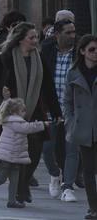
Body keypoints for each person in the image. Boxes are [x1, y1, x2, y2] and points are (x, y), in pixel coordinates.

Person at [0, 21, 54, 201]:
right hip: (14, 111)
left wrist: (56, 112)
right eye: (32, 37)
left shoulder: (39, 57)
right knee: (18, 154)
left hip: (34, 108)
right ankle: (21, 189)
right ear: (21, 39)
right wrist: (1, 90)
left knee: (34, 153)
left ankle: (25, 181)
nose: (35, 41)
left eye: (36, 37)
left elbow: (48, 86)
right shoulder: (6, 57)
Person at [0, 97, 51, 208]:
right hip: (7, 157)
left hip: (15, 156)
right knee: (1, 178)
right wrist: (42, 124)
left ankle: (11, 201)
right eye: (23, 110)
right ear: (14, 112)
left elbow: (26, 127)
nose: (25, 113)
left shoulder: (15, 121)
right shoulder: (14, 121)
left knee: (14, 180)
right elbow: (27, 128)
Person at [41, 16, 79, 200]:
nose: (73, 36)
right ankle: (55, 174)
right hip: (50, 107)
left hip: (73, 108)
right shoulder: (46, 50)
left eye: (74, 32)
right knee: (47, 147)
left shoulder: (79, 51)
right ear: (57, 35)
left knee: (72, 148)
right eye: (68, 33)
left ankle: (68, 186)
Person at [63, 34, 97, 219]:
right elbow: (67, 101)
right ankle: (93, 208)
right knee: (88, 171)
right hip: (83, 128)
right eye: (92, 49)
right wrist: (70, 122)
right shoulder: (73, 73)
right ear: (83, 51)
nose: (95, 53)